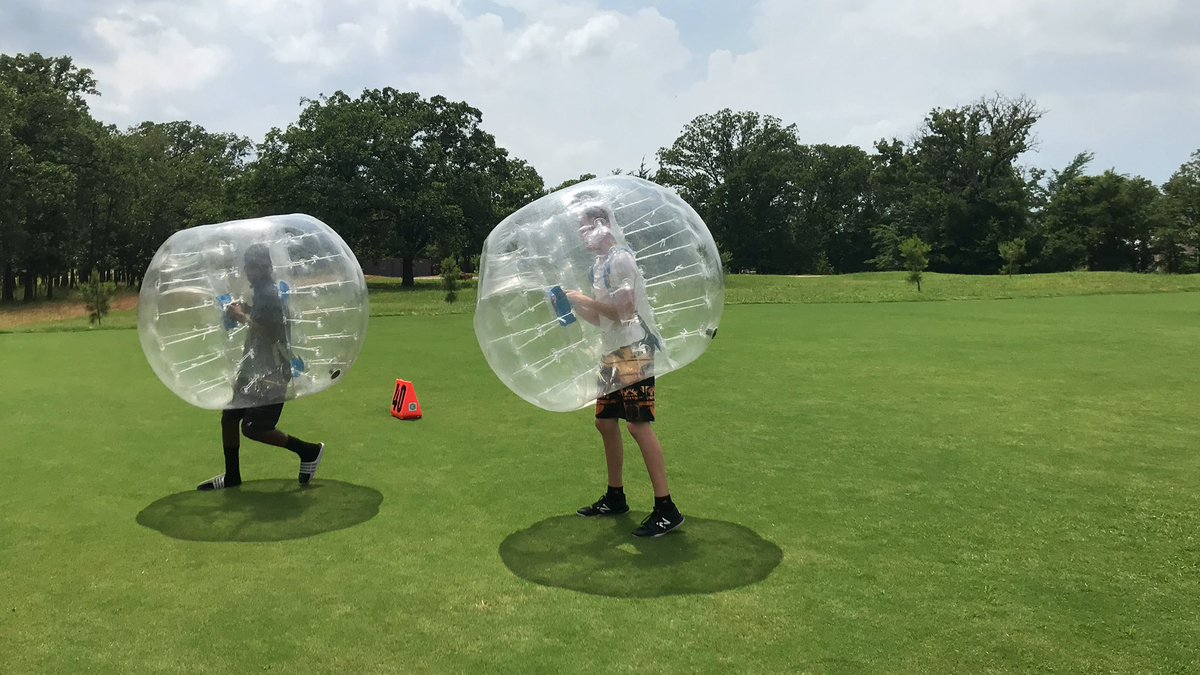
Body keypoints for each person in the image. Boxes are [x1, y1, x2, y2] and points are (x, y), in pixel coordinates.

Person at [565, 202, 685, 537]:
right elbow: (602, 319)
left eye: (586, 226)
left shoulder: (620, 259)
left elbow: (625, 312)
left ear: (603, 225)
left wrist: (583, 300)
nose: (581, 233)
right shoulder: (599, 266)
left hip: (634, 348)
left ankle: (666, 508)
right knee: (604, 422)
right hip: (613, 351)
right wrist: (573, 305)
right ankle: (616, 497)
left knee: (637, 426)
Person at [197, 243, 325, 490]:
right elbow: (264, 320)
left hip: (272, 370)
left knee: (255, 428)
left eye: (255, 267)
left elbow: (271, 331)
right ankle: (232, 476)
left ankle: (308, 451)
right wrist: (248, 311)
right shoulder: (262, 292)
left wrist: (241, 317)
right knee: (230, 417)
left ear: (267, 267)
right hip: (254, 366)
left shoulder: (270, 294)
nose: (250, 272)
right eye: (248, 267)